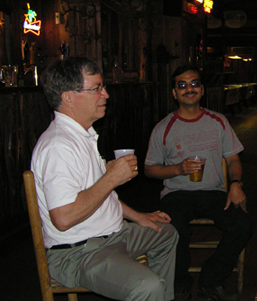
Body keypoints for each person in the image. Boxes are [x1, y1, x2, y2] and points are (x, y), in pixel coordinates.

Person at [31, 57, 178, 301]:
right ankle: (154, 293)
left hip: (113, 235)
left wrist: (138, 216)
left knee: (166, 233)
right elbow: (64, 218)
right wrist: (110, 179)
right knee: (147, 286)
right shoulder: (58, 146)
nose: (106, 94)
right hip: (78, 253)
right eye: (97, 88)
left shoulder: (83, 135)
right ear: (68, 97)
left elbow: (98, 197)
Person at [144, 65, 252, 301]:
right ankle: (180, 285)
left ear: (202, 90)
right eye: (181, 85)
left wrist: (235, 184)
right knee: (175, 229)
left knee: (241, 225)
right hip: (177, 193)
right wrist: (177, 169)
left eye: (194, 84)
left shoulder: (218, 121)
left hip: (214, 192)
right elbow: (149, 169)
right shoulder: (163, 128)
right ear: (174, 93)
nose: (188, 89)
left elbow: (233, 159)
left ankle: (211, 280)